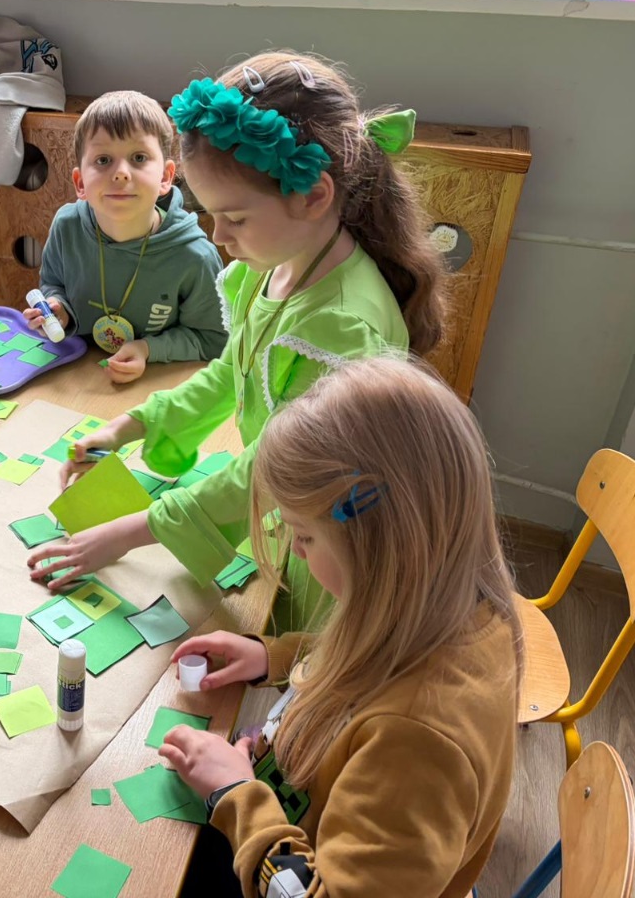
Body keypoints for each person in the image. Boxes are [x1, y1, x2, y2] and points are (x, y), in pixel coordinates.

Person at [29, 51, 445, 632]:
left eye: (236, 218)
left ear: (313, 196)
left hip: (339, 547)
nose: (217, 235)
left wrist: (131, 531)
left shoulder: (342, 327)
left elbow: (274, 466)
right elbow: (232, 371)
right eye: (209, 213)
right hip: (287, 520)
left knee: (300, 650)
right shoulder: (271, 263)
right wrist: (131, 425)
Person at [161, 357, 521, 897]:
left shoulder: (418, 747)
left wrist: (237, 795)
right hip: (292, 810)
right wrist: (274, 657)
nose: (298, 554)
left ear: (378, 541)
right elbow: (373, 663)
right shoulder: (443, 607)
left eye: (305, 537)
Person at [25, 89, 226, 383]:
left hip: (155, 385)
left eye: (138, 157)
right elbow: (53, 284)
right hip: (79, 380)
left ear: (165, 177)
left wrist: (149, 349)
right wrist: (60, 312)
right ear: (80, 182)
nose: (120, 173)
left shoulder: (195, 257)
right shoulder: (66, 226)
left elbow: (213, 340)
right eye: (103, 160)